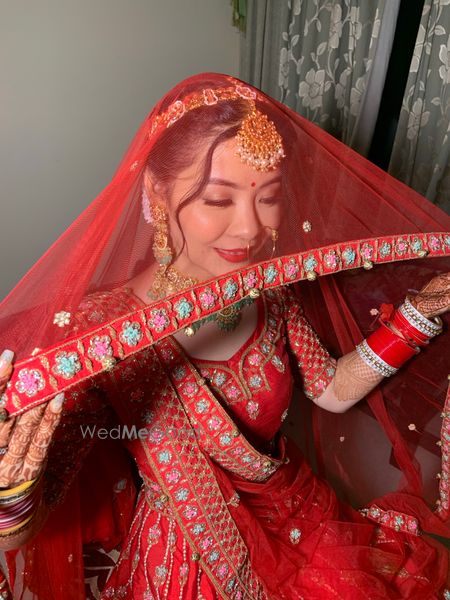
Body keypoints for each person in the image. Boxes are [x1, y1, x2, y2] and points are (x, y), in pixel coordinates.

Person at [0, 73, 449, 599]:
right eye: (217, 200)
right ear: (156, 191)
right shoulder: (108, 334)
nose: (249, 230)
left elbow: (330, 389)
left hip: (297, 510)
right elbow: (33, 522)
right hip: (195, 552)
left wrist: (416, 318)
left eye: (269, 197)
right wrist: (10, 491)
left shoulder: (266, 289)